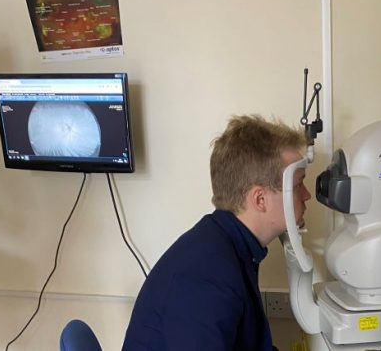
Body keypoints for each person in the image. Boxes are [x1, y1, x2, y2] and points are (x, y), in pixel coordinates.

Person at [122, 115, 312, 351]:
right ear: (260, 199)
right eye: (297, 185)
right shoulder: (207, 277)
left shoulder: (231, 246)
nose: (307, 195)